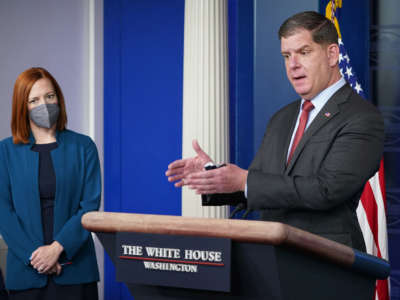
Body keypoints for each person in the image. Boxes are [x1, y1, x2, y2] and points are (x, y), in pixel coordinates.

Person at [166, 11, 384, 252]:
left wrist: (244, 180)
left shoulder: (362, 117)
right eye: (286, 55)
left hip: (328, 263)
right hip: (272, 259)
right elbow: (262, 185)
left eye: (304, 52)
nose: (293, 65)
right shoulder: (283, 117)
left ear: (332, 54)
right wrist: (213, 177)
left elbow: (326, 190)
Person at [0, 67, 101, 299]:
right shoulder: (5, 151)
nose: (44, 104)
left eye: (50, 96)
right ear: (22, 107)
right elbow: (4, 212)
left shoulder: (84, 147)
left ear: (59, 98)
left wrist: (57, 249)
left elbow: (89, 207)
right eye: (33, 100)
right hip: (26, 274)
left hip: (76, 269)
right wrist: (36, 257)